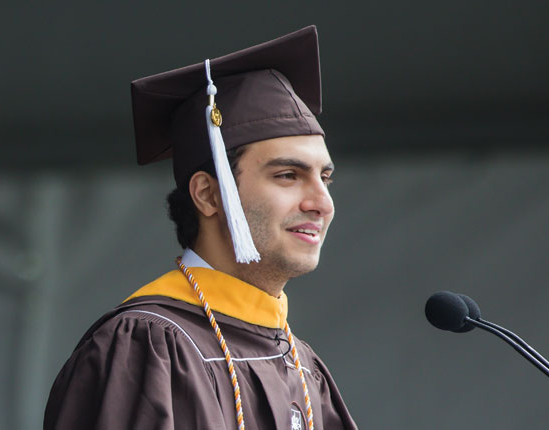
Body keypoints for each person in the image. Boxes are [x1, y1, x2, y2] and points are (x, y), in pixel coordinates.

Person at [44, 26, 357, 430]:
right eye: (287, 175)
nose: (321, 203)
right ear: (209, 195)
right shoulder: (147, 346)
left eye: (325, 178)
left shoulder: (300, 363)